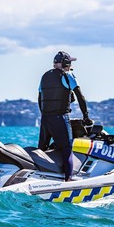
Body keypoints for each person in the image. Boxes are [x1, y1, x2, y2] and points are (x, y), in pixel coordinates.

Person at [38, 51, 92, 182]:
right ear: (66, 64)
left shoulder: (44, 76)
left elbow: (40, 99)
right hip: (60, 118)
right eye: (70, 63)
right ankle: (68, 180)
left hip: (45, 119)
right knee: (66, 149)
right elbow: (80, 97)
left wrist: (45, 114)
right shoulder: (68, 76)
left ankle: (39, 177)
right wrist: (86, 116)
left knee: (41, 150)